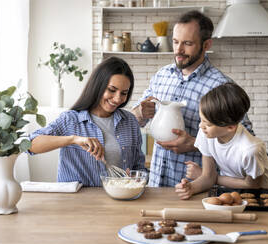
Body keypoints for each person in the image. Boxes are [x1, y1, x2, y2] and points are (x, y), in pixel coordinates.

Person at [131, 10, 253, 187]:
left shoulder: (221, 85)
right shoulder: (161, 76)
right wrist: (141, 113)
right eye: (175, 42)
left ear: (206, 45)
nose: (178, 50)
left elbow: (246, 139)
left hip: (198, 187)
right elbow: (134, 121)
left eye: (187, 43)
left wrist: (196, 144)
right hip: (156, 184)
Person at [29, 57, 145, 187]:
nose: (118, 99)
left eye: (124, 93)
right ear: (98, 86)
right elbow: (30, 145)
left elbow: (138, 166)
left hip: (118, 199)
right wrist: (73, 140)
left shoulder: (130, 122)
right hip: (77, 203)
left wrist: (135, 177)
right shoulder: (71, 120)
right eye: (112, 90)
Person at [175, 83, 268, 199]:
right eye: (201, 119)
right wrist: (191, 187)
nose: (201, 126)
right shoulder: (206, 133)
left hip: (266, 194)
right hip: (234, 192)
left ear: (230, 127)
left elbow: (252, 185)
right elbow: (207, 177)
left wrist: (214, 178)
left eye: (208, 123)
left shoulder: (250, 149)